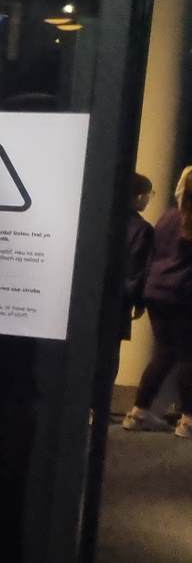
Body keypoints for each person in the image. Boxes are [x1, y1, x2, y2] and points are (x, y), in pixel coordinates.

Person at [125, 165, 192, 437]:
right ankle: (188, 421)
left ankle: (139, 411)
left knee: (165, 352)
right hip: (183, 294)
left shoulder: (168, 216)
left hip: (157, 292)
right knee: (188, 355)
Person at [121, 172, 155, 344]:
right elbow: (137, 269)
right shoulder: (143, 230)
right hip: (121, 302)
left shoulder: (110, 221)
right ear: (141, 196)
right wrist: (140, 302)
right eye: (150, 194)